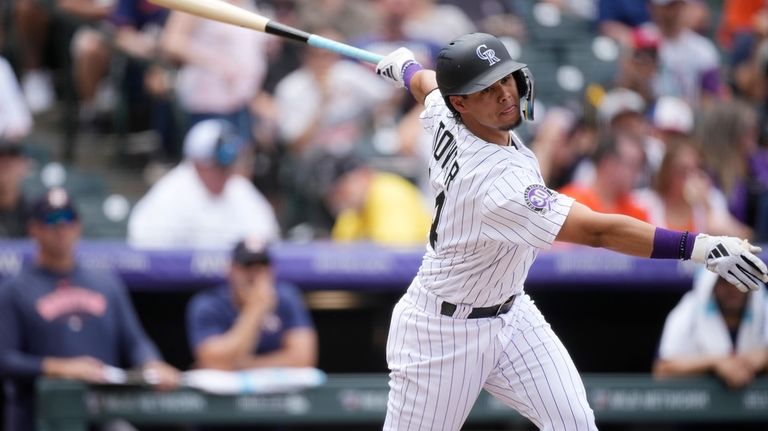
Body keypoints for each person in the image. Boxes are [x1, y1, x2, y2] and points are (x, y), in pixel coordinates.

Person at [373, 32, 768, 430]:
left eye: (505, 79)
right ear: (463, 103)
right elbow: (598, 231)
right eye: (487, 90)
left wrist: (405, 68)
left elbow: (428, 85)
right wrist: (696, 246)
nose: (505, 94)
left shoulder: (448, 108)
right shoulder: (494, 183)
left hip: (510, 313)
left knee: (575, 424)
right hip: (442, 332)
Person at [0, 187, 180, 430]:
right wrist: (60, 367)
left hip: (102, 411)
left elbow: (134, 341)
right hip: (40, 415)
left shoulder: (105, 283)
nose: (61, 228)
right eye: (51, 220)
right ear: (33, 228)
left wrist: (152, 363)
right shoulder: (15, 289)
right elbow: (6, 360)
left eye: (68, 219)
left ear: (79, 226)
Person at [127, 119, 280, 249]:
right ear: (199, 163)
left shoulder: (238, 187)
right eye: (217, 167)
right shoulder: (172, 192)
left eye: (227, 167)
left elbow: (268, 236)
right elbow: (145, 248)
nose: (225, 174)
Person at [186, 238, 317, 370]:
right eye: (247, 267)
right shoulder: (209, 303)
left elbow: (303, 359)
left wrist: (244, 365)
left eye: (261, 268)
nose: (254, 276)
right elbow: (214, 361)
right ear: (230, 270)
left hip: (279, 387)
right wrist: (255, 309)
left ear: (271, 271)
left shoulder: (286, 296)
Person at [653, 271, 768, 389]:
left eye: (740, 281)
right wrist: (715, 363)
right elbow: (663, 370)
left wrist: (764, 359)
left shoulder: (763, 305)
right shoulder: (689, 308)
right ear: (711, 284)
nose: (733, 289)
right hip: (701, 404)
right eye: (725, 281)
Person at [309, 150, 432, 245]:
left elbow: (396, 254)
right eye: (332, 193)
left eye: (341, 188)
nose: (336, 198)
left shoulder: (388, 192)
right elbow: (341, 252)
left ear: (365, 175)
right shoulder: (350, 213)